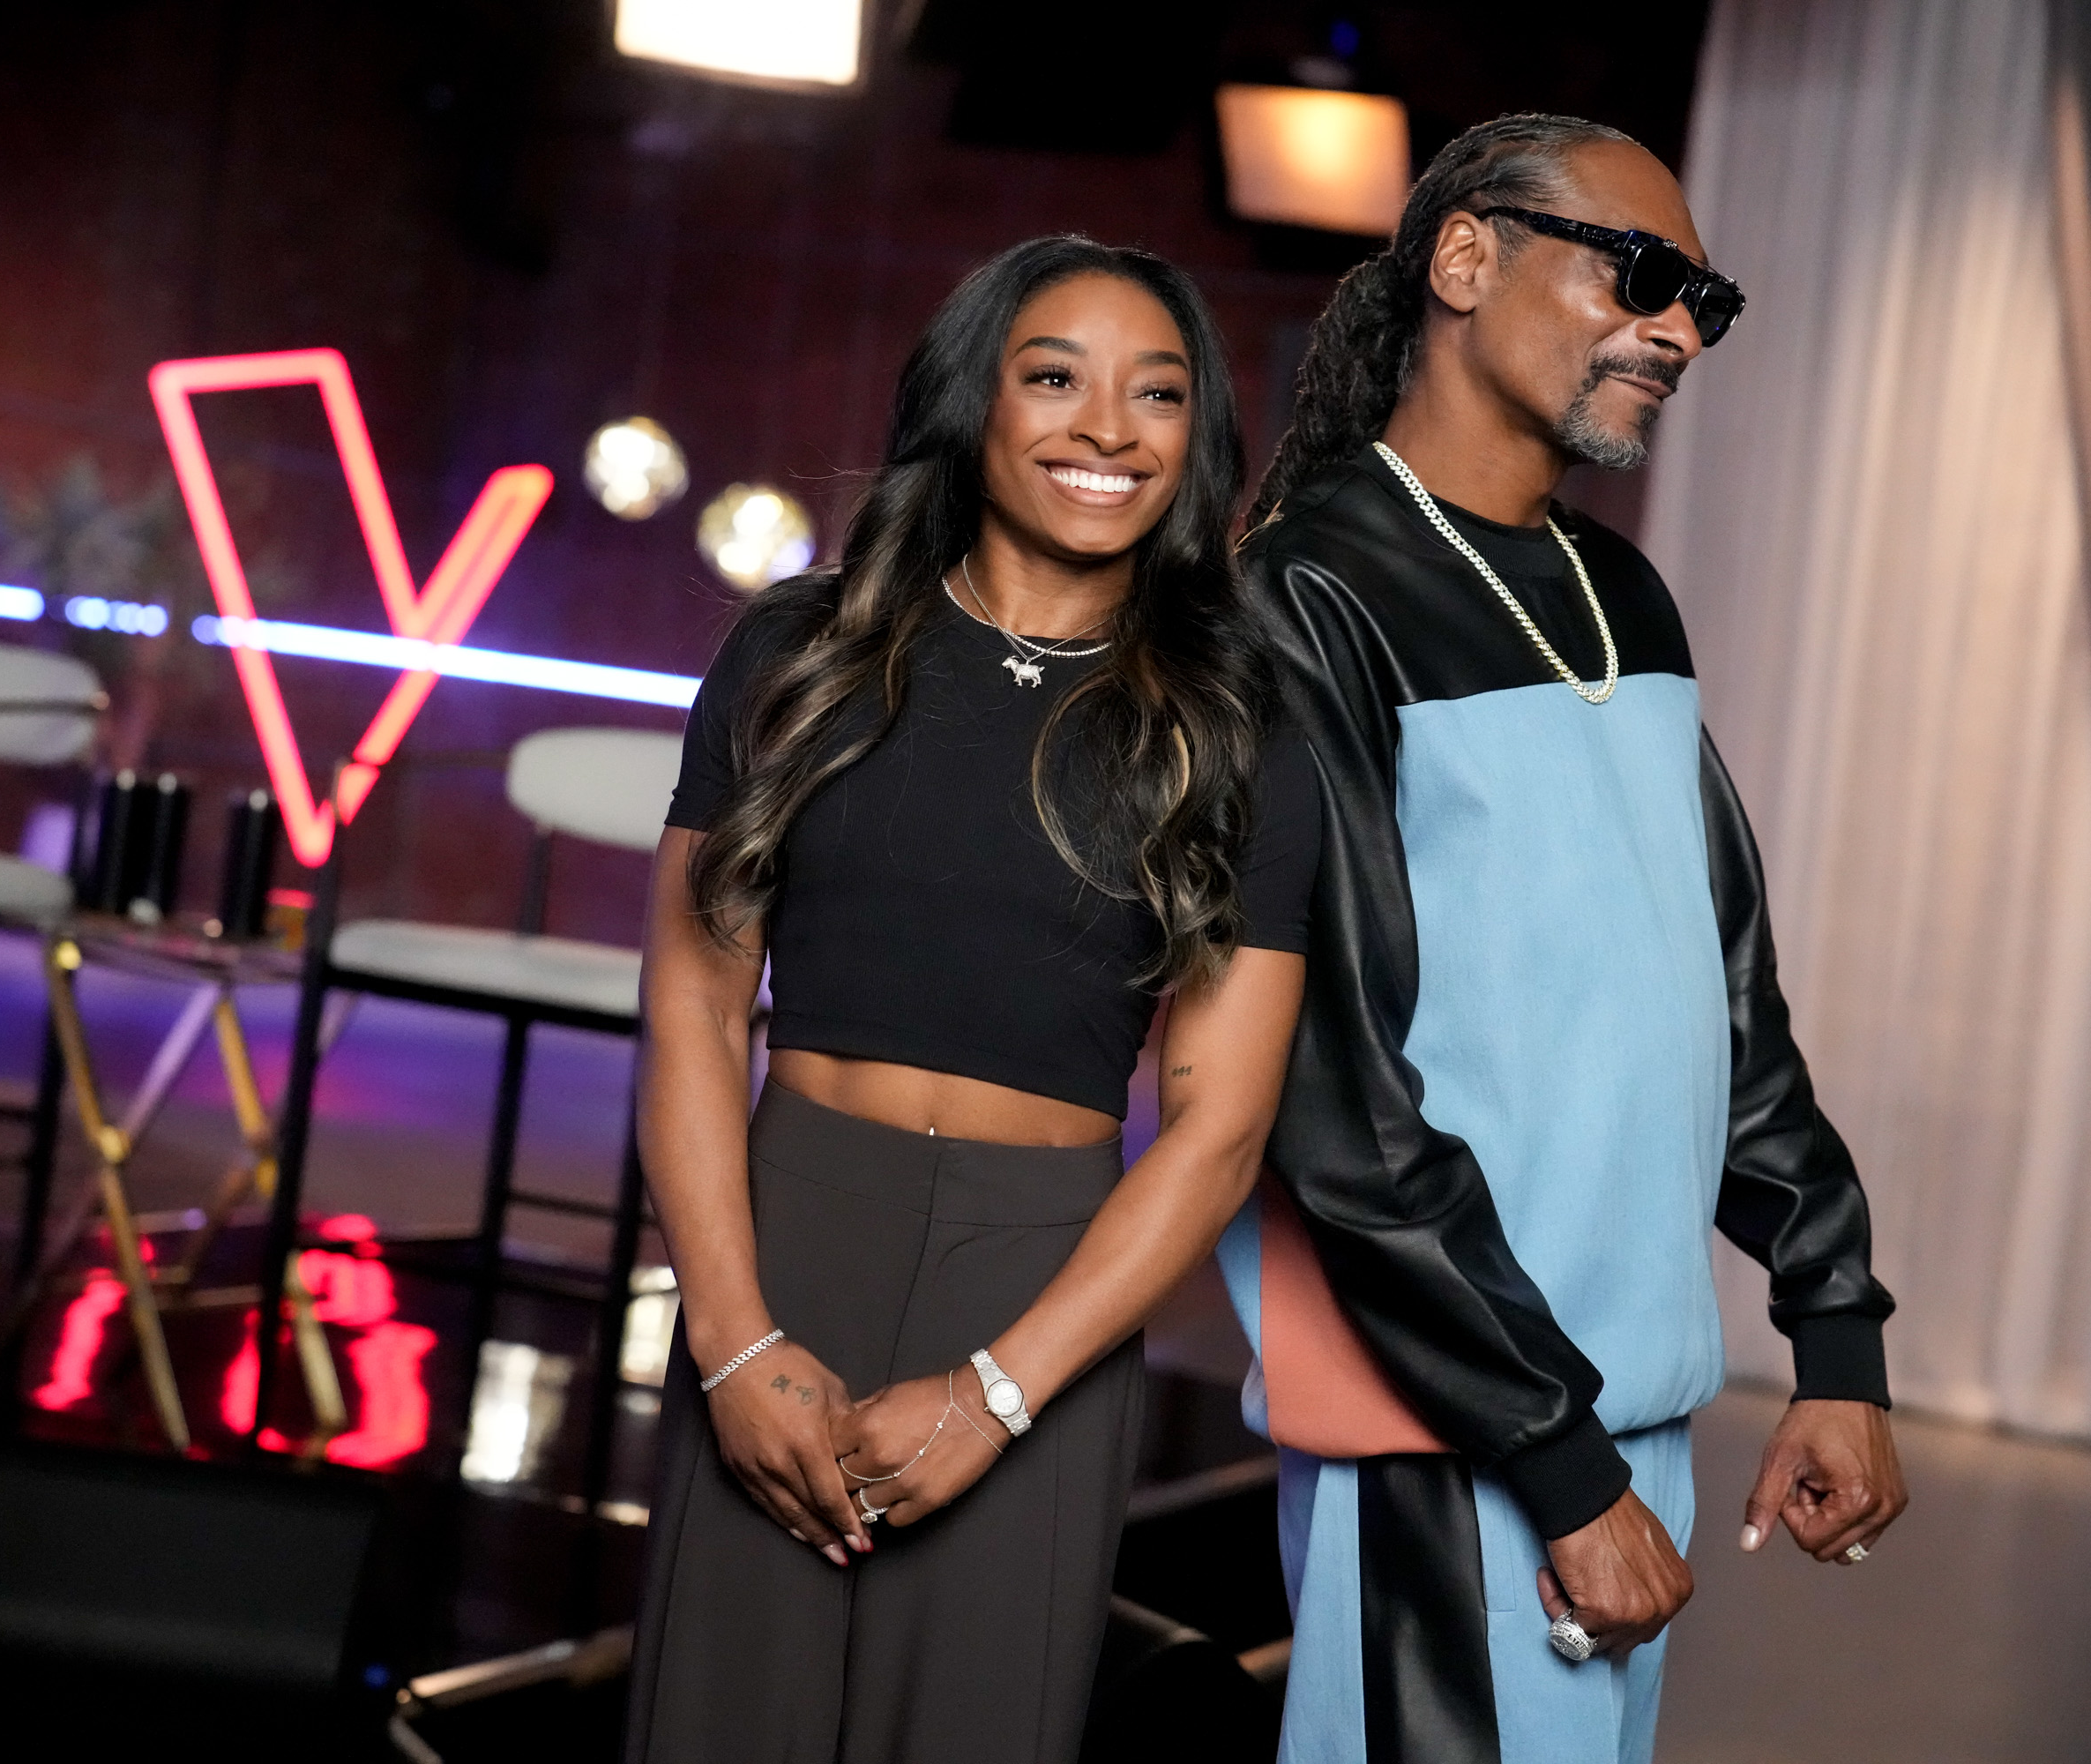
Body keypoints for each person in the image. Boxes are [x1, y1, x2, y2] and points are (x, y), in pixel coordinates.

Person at [1218, 115, 1908, 1760]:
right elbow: (1334, 1096)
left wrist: (1836, 1334)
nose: (1678, 328)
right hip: (1453, 1427)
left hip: (1618, 1416)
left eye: (1707, 300)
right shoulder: (1307, 595)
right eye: (1644, 274)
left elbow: (1726, 1005)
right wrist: (1557, 1463)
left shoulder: (1622, 595)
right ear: (1464, 258)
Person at [625, 235, 1318, 1764]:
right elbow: (689, 1008)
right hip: (783, 1230)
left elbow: (1219, 1126)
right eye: (1055, 377)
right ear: (976, 403)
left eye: (1158, 394)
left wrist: (1002, 1392)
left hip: (1046, 1286)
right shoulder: (799, 653)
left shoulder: (1238, 726)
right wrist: (732, 1339)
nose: (1107, 429)